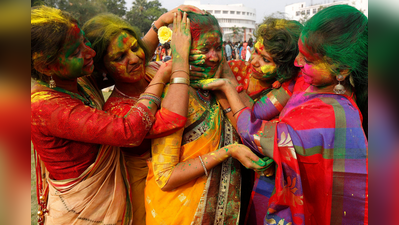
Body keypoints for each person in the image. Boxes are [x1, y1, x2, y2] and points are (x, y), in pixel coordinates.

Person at [196, 4, 368, 224]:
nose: (298, 63)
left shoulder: (334, 114)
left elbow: (256, 134)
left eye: (308, 61)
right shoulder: (305, 83)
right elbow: (258, 113)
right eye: (299, 55)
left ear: (342, 70)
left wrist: (226, 90)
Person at [31, 5, 190, 225]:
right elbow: (128, 131)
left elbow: (128, 62)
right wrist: (166, 73)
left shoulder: (74, 80)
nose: (90, 53)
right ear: (45, 66)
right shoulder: (45, 109)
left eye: (85, 42)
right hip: (85, 212)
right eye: (76, 52)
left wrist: (159, 23)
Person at [144, 11, 268, 225]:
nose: (214, 57)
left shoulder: (216, 86)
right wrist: (228, 151)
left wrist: (226, 80)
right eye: (205, 49)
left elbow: (253, 127)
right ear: (183, 50)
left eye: (218, 48)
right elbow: (166, 177)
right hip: (180, 213)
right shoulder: (174, 94)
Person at [83, 7, 201, 225]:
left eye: (135, 47)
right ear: (104, 69)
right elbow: (171, 121)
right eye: (120, 57)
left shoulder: (154, 69)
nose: (135, 58)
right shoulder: (117, 110)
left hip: (187, 177)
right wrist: (180, 59)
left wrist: (161, 22)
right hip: (147, 192)